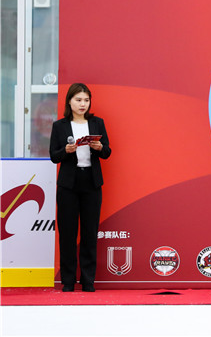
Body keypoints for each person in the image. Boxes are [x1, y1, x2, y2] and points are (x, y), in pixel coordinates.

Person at [49, 83, 112, 292]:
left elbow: (107, 152)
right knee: (67, 233)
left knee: (89, 232)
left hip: (91, 182)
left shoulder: (97, 123)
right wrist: (66, 151)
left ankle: (88, 280)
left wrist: (100, 147)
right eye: (78, 100)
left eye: (86, 100)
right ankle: (68, 281)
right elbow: (53, 156)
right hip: (68, 183)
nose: (82, 104)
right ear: (69, 101)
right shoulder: (60, 126)